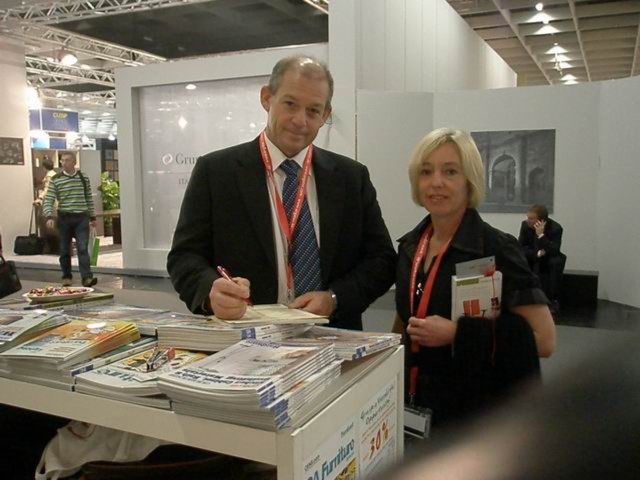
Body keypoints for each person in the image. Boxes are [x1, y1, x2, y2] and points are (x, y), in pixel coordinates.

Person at [167, 55, 396, 329]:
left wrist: (335, 298)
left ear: (325, 115)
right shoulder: (216, 172)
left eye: (313, 110)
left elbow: (381, 261)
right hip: (246, 339)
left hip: (333, 337)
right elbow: (184, 257)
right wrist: (210, 292)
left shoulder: (351, 178)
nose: (300, 120)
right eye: (290, 104)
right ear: (267, 98)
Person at [393, 128, 556, 428]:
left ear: (470, 181)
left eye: (450, 171)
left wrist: (459, 333)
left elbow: (545, 341)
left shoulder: (497, 248)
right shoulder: (410, 247)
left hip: (476, 414)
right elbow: (405, 319)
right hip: (415, 403)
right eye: (426, 171)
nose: (436, 182)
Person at [43, 152, 98, 287]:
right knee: (64, 250)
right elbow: (49, 198)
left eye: (67, 160)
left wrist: (92, 217)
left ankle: (86, 277)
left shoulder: (82, 177)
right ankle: (66, 276)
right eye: (62, 160)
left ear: (74, 162)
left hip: (81, 218)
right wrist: (49, 216)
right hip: (64, 218)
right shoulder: (56, 179)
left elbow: (88, 198)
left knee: (82, 248)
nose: (64, 163)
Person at [518, 204, 566, 312]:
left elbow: (554, 250)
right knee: (520, 259)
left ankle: (553, 300)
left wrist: (541, 235)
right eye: (528, 217)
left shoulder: (556, 228)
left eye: (531, 219)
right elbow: (521, 247)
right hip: (534, 255)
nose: (528, 221)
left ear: (541, 221)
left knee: (555, 262)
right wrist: (538, 253)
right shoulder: (525, 226)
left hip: (549, 257)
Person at [33, 155, 60, 254]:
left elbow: (47, 190)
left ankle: (53, 248)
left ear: (44, 167)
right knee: (55, 226)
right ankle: (56, 248)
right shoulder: (55, 174)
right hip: (56, 203)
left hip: (52, 204)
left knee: (50, 226)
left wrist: (39, 198)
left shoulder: (49, 176)